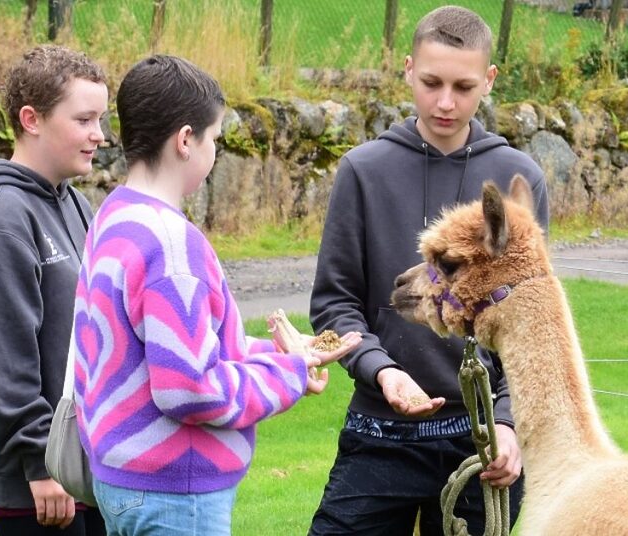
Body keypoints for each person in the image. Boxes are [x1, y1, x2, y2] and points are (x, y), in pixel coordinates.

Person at [71, 55, 361, 536]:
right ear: (186, 140)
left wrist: (282, 353)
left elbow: (171, 351)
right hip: (175, 493)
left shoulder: (116, 217)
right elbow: (189, 389)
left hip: (124, 484)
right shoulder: (172, 245)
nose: (214, 153)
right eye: (215, 140)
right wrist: (287, 375)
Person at [308, 5, 550, 535]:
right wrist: (382, 370)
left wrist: (509, 424)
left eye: (463, 87)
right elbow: (334, 303)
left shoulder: (518, 177)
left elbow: (531, 323)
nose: (445, 102)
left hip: (483, 441)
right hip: (380, 431)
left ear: (489, 80)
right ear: (407, 68)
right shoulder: (363, 171)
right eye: (431, 82)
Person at [0, 44, 109, 535]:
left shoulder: (76, 205)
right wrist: (41, 462)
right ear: (31, 119)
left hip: (83, 464)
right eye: (84, 120)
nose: (99, 135)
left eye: (101, 119)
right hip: (37, 483)